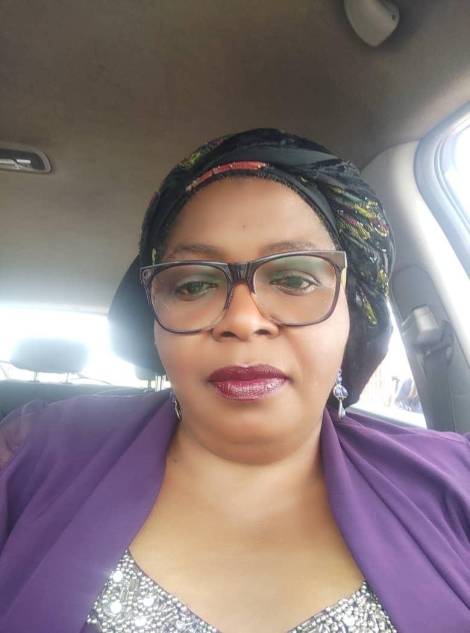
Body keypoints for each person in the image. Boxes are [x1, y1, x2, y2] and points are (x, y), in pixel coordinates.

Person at [0, 129, 469, 633]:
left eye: (295, 279)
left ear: (353, 312)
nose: (243, 320)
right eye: (194, 285)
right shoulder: (32, 454)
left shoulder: (456, 482)